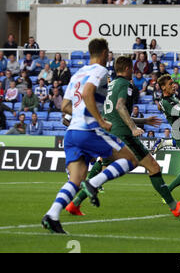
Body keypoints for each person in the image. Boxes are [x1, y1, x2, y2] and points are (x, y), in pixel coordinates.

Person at [67, 56, 180, 218]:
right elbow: (120, 106)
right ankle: (174, 207)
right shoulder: (125, 84)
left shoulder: (111, 84)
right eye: (132, 69)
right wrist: (134, 127)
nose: (135, 72)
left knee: (106, 167)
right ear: (128, 69)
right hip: (123, 134)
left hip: (110, 132)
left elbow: (116, 112)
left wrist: (143, 120)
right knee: (154, 167)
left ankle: (74, 203)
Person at [40, 39, 148, 233]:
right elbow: (89, 92)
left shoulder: (78, 73)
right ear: (105, 53)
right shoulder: (100, 70)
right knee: (131, 159)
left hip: (71, 133)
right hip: (89, 130)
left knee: (75, 179)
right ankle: (94, 182)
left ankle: (52, 215)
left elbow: (64, 106)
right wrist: (98, 119)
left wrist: (80, 113)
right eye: (109, 53)